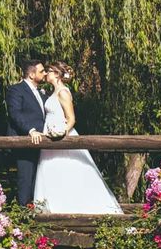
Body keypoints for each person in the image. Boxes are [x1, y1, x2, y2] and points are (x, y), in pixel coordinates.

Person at [33, 62, 123, 214]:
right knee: (55, 173)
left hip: (62, 138)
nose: (46, 74)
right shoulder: (53, 93)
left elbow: (71, 118)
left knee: (70, 171)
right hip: (50, 139)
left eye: (49, 71)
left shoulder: (63, 92)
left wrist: (61, 133)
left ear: (56, 74)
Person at [6, 60, 48, 206]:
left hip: (42, 142)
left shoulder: (42, 93)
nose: (45, 73)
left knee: (38, 178)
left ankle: (38, 210)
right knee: (26, 177)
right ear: (31, 74)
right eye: (42, 71)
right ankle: (24, 215)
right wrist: (31, 131)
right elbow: (15, 113)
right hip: (25, 141)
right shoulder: (16, 90)